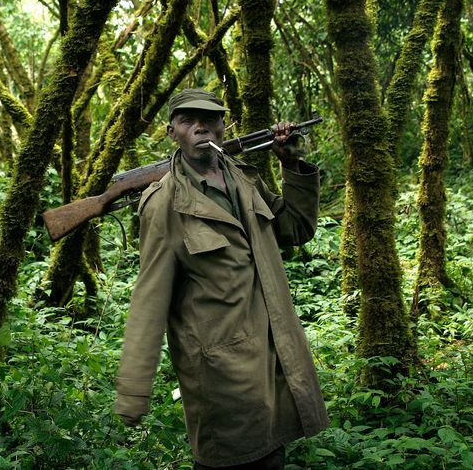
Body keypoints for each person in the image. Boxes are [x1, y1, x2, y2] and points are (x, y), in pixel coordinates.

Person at [114, 88, 329, 469]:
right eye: (189, 120)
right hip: (221, 376)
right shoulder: (164, 205)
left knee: (272, 456)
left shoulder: (244, 179)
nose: (201, 127)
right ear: (172, 132)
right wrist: (133, 394)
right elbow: (149, 302)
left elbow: (295, 229)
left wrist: (291, 165)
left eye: (210, 119)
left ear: (223, 127)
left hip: (275, 356)